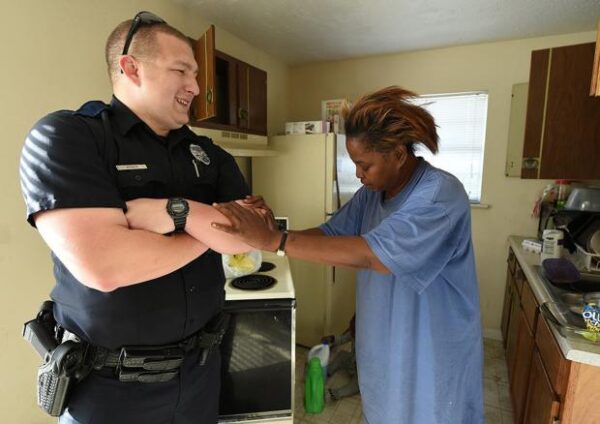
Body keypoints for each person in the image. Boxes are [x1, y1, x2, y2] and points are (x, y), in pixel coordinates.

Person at [19, 11, 261, 424]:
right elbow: (105, 265)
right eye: (181, 70)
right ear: (130, 67)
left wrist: (174, 213)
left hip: (201, 375)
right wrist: (208, 225)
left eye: (197, 74)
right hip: (108, 390)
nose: (196, 87)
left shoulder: (209, 154)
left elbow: (251, 236)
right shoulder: (69, 137)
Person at [211, 86, 485, 423]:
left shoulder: (439, 195)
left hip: (430, 346)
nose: (357, 173)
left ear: (398, 154)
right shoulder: (372, 194)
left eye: (364, 164)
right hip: (384, 338)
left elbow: (375, 256)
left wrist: (274, 240)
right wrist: (270, 228)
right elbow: (330, 234)